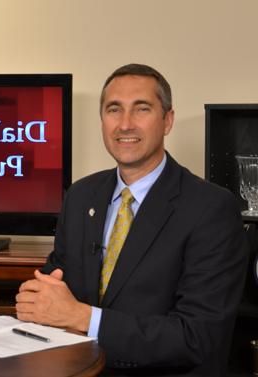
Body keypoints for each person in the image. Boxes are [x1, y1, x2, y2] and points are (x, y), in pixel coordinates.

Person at [16, 64, 248, 375]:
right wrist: (36, 299)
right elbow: (54, 282)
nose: (125, 124)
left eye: (141, 109)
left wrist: (84, 318)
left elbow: (197, 337)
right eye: (114, 110)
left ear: (167, 120)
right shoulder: (81, 196)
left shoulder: (211, 209)